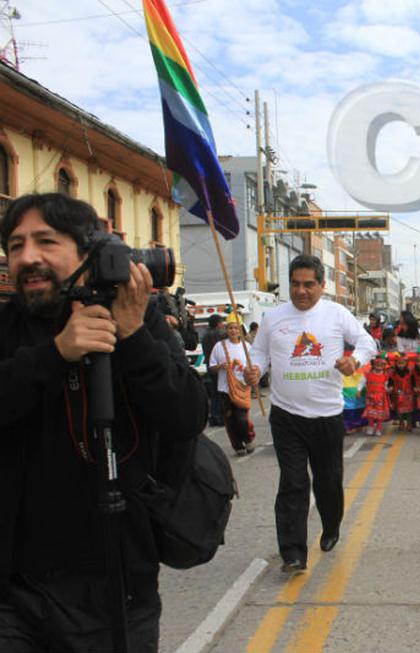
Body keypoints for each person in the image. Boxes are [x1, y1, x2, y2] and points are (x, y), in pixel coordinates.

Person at [0, 193, 207, 652]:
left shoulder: (137, 317)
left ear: (87, 253)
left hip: (117, 586)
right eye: (15, 246)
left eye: (45, 242)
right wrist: (56, 355)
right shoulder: (8, 326)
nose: (27, 257)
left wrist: (132, 337)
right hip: (15, 591)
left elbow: (188, 415)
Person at [244, 255, 377, 572]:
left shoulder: (336, 314)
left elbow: (367, 342)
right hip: (286, 416)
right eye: (295, 284)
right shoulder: (274, 317)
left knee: (328, 481)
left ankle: (331, 526)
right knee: (292, 482)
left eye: (309, 284)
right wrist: (254, 369)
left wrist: (354, 361)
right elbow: (259, 353)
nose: (302, 291)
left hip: (327, 416)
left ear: (322, 285)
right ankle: (293, 552)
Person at [208, 313, 256, 456]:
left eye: (236, 328)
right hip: (225, 389)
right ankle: (237, 446)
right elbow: (211, 367)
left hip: (242, 387)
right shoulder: (219, 346)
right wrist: (221, 367)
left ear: (240, 329)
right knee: (230, 419)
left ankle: (248, 439)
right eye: (230, 328)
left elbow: (254, 365)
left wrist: (252, 375)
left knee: (241, 418)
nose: (233, 331)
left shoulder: (246, 346)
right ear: (226, 330)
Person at [201, 313, 227, 427]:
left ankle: (214, 417)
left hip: (209, 365)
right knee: (220, 392)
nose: (223, 324)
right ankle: (219, 417)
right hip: (218, 366)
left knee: (214, 393)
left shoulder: (205, 335)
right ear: (218, 324)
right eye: (222, 322)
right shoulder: (218, 334)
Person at [362, 354, 390, 436]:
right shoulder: (368, 374)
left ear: (384, 365)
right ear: (373, 364)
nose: (379, 367)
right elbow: (362, 383)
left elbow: (385, 386)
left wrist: (387, 390)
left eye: (381, 365)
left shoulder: (385, 375)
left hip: (380, 398)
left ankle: (379, 427)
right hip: (370, 397)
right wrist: (359, 390)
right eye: (377, 365)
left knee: (379, 414)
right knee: (370, 413)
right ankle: (371, 426)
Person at [389, 353, 416, 432]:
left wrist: (414, 388)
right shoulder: (393, 373)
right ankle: (401, 423)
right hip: (397, 392)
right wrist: (390, 387)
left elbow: (413, 381)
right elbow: (391, 382)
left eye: (402, 363)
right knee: (399, 410)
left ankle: (409, 423)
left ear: (406, 363)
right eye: (399, 363)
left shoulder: (410, 372)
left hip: (408, 393)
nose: (400, 365)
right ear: (396, 364)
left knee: (409, 411)